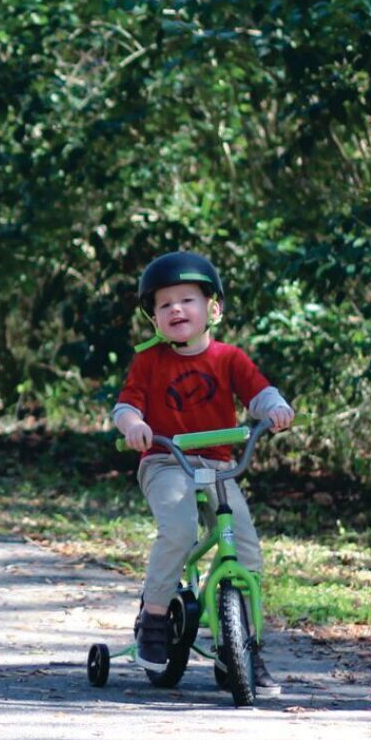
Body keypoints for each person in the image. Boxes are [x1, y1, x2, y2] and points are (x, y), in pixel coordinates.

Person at [112, 250, 294, 694]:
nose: (176, 309)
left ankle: (243, 648)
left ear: (212, 308)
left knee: (246, 549)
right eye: (164, 304)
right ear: (153, 318)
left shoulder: (229, 358)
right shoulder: (149, 361)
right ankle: (154, 618)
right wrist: (134, 426)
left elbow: (259, 393)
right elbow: (126, 405)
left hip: (218, 464)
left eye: (187, 300)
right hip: (165, 459)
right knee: (178, 529)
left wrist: (276, 409)